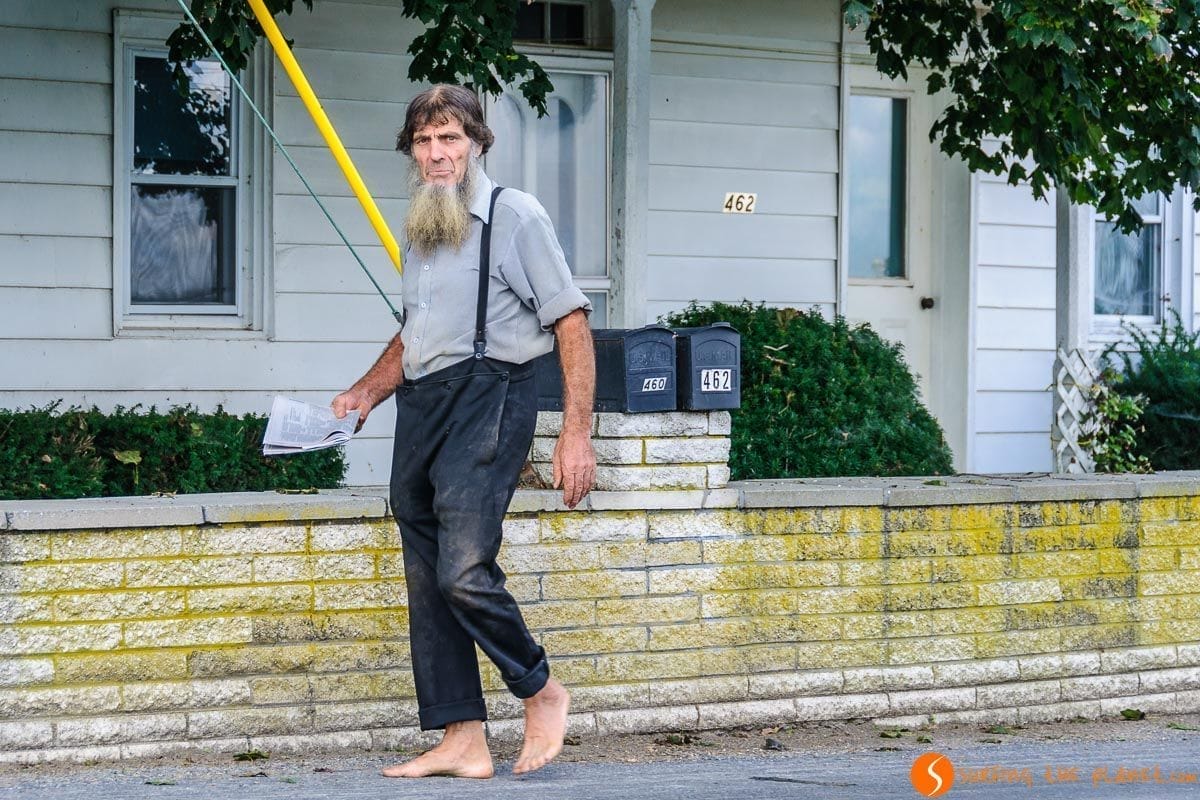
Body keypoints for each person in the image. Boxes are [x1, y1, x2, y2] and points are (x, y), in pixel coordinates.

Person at [331, 84, 596, 778]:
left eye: (449, 138)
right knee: (426, 576)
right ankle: (463, 738)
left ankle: (540, 689)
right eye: (423, 141)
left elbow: (570, 321)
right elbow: (417, 333)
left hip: (493, 398)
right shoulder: (425, 221)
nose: (436, 152)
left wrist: (575, 434)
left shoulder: (516, 216)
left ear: (477, 142)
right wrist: (365, 391)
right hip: (424, 403)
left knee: (463, 571)